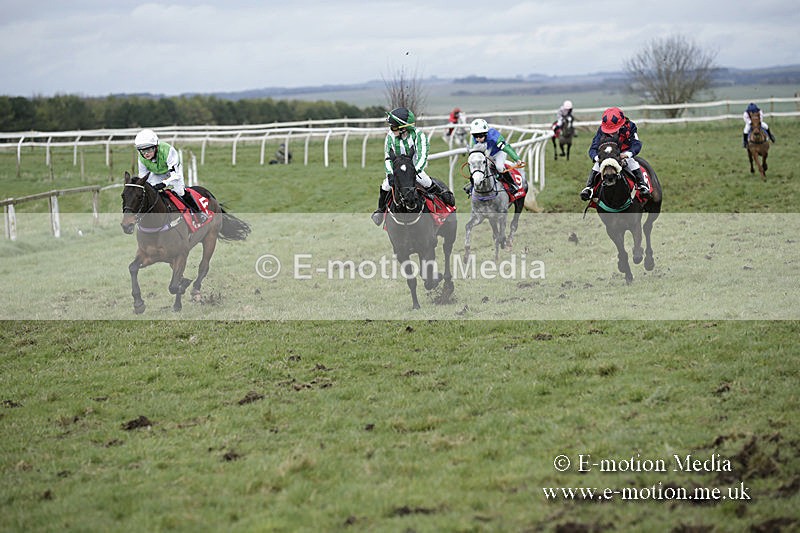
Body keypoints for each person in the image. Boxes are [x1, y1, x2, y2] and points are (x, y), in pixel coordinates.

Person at [371, 107, 455, 225]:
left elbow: (423, 155)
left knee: (426, 182)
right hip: (397, 172)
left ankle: (443, 201)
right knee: (386, 186)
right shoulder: (390, 136)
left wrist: (415, 170)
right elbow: (387, 157)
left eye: (393, 127)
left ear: (404, 128)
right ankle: (380, 211)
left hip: (415, 170)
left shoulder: (418, 135)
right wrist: (390, 174)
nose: (391, 129)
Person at [134, 129, 206, 221]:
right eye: (142, 151)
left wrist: (165, 183)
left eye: (149, 149)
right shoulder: (141, 158)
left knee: (180, 192)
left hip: (172, 173)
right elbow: (143, 177)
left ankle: (198, 213)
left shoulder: (168, 150)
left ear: (156, 146)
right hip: (156, 174)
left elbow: (175, 175)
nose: (146, 154)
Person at [580, 107, 649, 201]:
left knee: (632, 163)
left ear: (621, 124)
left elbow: (636, 144)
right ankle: (589, 188)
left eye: (613, 130)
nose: (611, 133)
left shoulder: (630, 126)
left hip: (623, 153)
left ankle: (642, 186)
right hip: (607, 154)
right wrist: (597, 157)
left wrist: (628, 154)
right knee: (596, 166)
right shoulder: (601, 130)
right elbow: (593, 147)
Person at [464, 118, 524, 196]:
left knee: (499, 167)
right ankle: (473, 186)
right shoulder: (474, 139)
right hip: (486, 154)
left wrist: (517, 159)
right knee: (477, 167)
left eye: (480, 135)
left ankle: (512, 184)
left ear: (486, 133)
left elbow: (507, 148)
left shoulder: (494, 136)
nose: (478, 138)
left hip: (498, 152)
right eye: (475, 136)